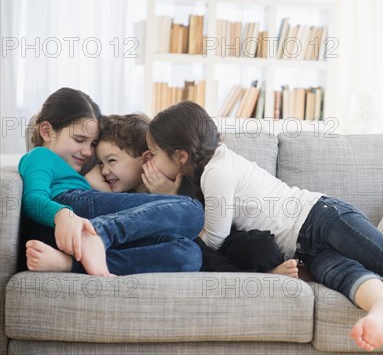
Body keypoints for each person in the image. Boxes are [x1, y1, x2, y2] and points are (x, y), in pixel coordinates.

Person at [147, 100, 383, 354]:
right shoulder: (212, 168)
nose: (151, 161)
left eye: (156, 154)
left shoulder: (217, 172)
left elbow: (214, 237)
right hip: (306, 247)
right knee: (345, 275)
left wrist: (168, 193)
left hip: (321, 217)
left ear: (180, 156)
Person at [20, 88, 203, 277]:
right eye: (79, 139)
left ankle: (70, 262)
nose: (88, 152)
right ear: (47, 131)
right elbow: (32, 199)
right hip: (68, 211)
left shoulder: (86, 176)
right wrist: (62, 214)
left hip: (74, 235)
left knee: (189, 254)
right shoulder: (40, 155)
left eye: (92, 143)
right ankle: (100, 235)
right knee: (192, 210)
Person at [85, 113, 297, 276]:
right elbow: (86, 185)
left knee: (261, 247)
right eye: (100, 163)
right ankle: (261, 276)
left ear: (148, 157)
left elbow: (209, 226)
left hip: (216, 238)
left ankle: (263, 270)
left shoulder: (185, 178)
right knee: (192, 251)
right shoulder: (121, 191)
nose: (103, 171)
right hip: (189, 247)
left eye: (111, 161)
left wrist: (173, 195)